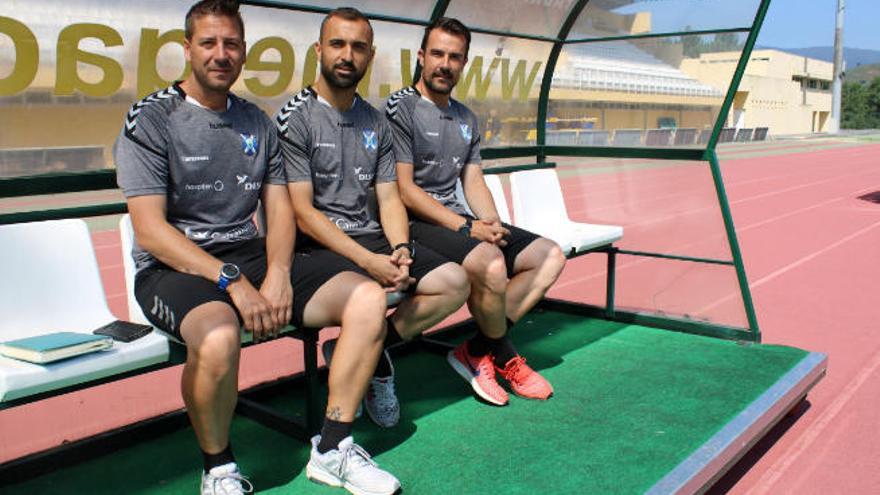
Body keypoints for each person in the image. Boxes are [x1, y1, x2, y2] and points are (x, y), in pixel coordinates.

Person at [275, 7, 469, 494]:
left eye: (358, 47)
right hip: (315, 248)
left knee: (454, 281)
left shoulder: (375, 120)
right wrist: (369, 262)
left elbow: (388, 196)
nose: (347, 55)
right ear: (319, 51)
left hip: (371, 239)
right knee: (367, 294)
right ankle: (334, 442)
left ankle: (370, 351)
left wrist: (401, 248)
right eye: (338, 45)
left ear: (371, 55)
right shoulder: (294, 118)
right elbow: (301, 213)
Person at [114, 1, 291, 493]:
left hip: (246, 251)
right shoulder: (152, 118)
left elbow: (279, 210)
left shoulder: (257, 120)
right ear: (187, 48)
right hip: (170, 266)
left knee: (362, 294)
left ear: (244, 52)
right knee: (217, 337)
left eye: (231, 43)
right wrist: (232, 282)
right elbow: (150, 232)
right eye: (209, 43)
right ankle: (219, 467)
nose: (221, 54)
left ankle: (333, 441)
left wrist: (277, 274)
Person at [385, 17, 567, 407]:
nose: (444, 64)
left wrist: (493, 224)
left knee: (549, 256)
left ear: (464, 63)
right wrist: (467, 228)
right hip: (414, 223)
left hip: (456, 222)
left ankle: (479, 348)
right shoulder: (400, 108)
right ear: (421, 56)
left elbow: (473, 181)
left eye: (454, 57)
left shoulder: (466, 117)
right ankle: (502, 355)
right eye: (437, 54)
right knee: (491, 264)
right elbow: (405, 190)